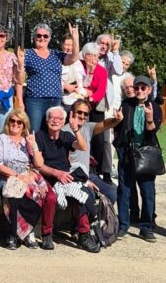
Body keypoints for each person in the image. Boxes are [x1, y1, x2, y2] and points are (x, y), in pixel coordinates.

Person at [35, 105, 95, 251]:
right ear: (47, 120)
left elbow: (83, 147)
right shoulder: (39, 136)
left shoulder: (66, 136)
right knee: (49, 198)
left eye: (59, 118)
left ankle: (84, 235)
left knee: (82, 194)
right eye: (52, 118)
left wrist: (75, 130)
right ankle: (47, 235)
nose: (55, 121)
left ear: (63, 123)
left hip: (65, 176)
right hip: (47, 176)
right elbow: (39, 165)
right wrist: (56, 173)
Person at [114, 74, 162, 242]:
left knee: (147, 192)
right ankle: (123, 225)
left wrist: (149, 120)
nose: (139, 90)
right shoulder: (126, 104)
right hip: (127, 153)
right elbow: (117, 126)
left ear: (149, 89)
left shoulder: (155, 107)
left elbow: (153, 132)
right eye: (137, 88)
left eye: (143, 88)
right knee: (124, 191)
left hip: (146, 154)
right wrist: (116, 122)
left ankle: (146, 227)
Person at [0, 106, 47, 249]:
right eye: (13, 121)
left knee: (37, 195)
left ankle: (28, 231)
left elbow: (39, 164)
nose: (15, 124)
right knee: (14, 195)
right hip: (7, 176)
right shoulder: (1, 139)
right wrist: (17, 176)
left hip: (26, 175)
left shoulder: (27, 140)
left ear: (24, 125)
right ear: (8, 122)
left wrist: (33, 146)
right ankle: (12, 235)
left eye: (19, 122)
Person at [66, 98, 120, 204]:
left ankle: (102, 218)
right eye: (79, 112)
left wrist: (116, 120)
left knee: (111, 192)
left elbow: (104, 124)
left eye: (85, 114)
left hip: (88, 174)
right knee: (89, 195)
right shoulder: (65, 130)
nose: (82, 116)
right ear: (72, 112)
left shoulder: (88, 127)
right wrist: (83, 180)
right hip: (73, 176)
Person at [19, 23, 65, 132]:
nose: (42, 38)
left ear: (49, 38)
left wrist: (75, 38)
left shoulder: (56, 54)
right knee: (35, 131)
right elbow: (19, 81)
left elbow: (73, 58)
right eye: (39, 35)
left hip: (55, 99)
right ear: (34, 37)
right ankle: (34, 150)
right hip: (36, 100)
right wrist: (20, 102)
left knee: (53, 132)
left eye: (45, 36)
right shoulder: (27, 53)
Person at [97, 33, 123, 181]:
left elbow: (119, 71)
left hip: (107, 104)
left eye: (107, 44)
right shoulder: (90, 56)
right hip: (93, 102)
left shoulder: (110, 58)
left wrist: (115, 51)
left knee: (107, 139)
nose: (104, 46)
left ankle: (106, 171)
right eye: (102, 43)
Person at [80, 41, 108, 175]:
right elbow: (79, 84)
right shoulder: (79, 67)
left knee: (98, 136)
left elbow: (101, 91)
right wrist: (85, 92)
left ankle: (98, 169)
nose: (93, 59)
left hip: (95, 105)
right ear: (84, 56)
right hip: (80, 104)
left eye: (96, 56)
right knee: (81, 133)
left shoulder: (102, 71)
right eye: (90, 55)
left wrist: (91, 97)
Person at [60, 25, 85, 110]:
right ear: (62, 45)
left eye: (72, 45)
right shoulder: (57, 60)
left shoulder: (79, 62)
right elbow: (52, 79)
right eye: (67, 45)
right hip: (63, 101)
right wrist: (65, 86)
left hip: (78, 101)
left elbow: (83, 79)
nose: (69, 48)